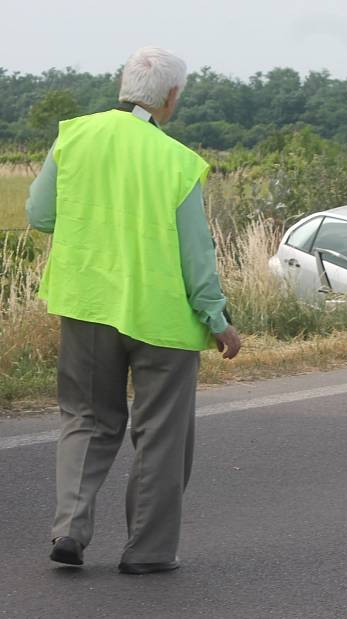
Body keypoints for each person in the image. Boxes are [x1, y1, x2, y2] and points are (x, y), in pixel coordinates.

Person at [26, 46, 241, 575]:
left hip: (88, 304)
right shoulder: (177, 161)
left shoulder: (73, 135)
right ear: (171, 97)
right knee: (161, 437)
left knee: (86, 419)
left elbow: (39, 213)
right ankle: (147, 553)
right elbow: (197, 254)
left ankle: (70, 530)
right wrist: (216, 318)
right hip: (162, 321)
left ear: (124, 86)